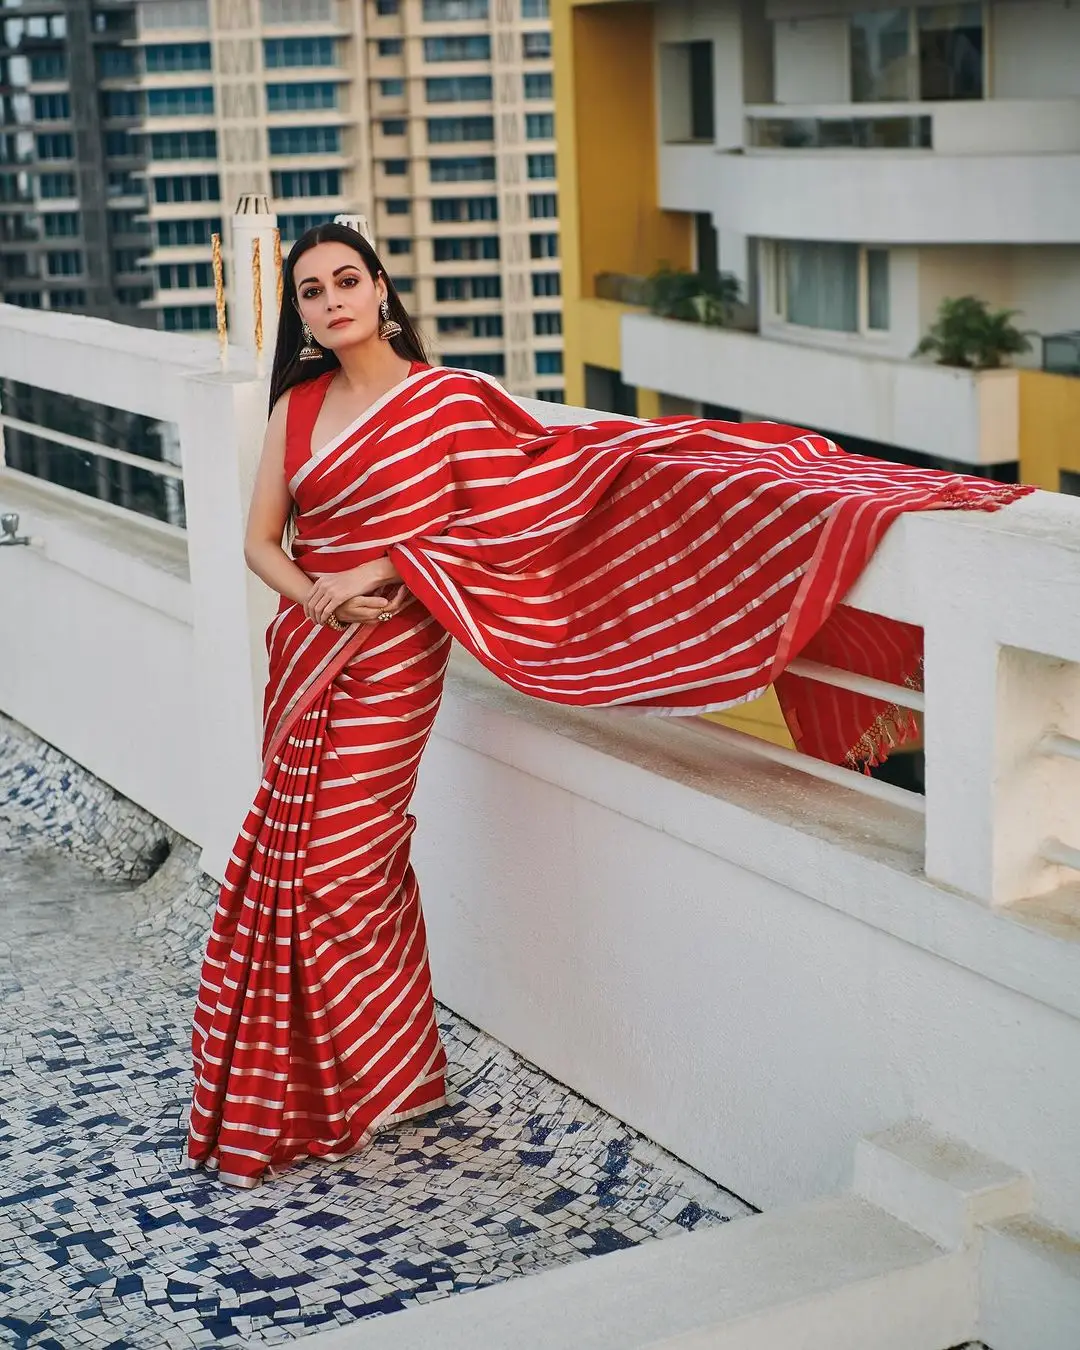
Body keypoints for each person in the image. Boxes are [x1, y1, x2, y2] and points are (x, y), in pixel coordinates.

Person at [188, 222, 1028, 1187]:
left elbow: (518, 502)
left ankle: (363, 1077)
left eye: (347, 280)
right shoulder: (296, 407)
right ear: (298, 312)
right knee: (292, 862)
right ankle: (393, 1076)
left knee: (343, 859)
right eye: (310, 291)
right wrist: (317, 598)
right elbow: (261, 540)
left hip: (396, 654)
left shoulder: (450, 402)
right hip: (307, 650)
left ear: (381, 289)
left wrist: (385, 567)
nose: (332, 301)